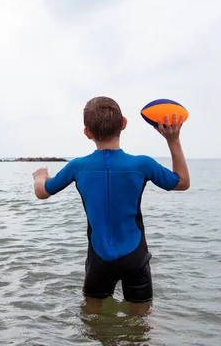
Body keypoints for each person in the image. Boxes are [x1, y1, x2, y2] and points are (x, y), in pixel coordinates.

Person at [32, 96, 190, 313]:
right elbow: (181, 182)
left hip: (99, 259)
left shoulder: (78, 167)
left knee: (94, 321)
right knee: (141, 325)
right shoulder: (142, 164)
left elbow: (42, 192)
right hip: (135, 257)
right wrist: (173, 141)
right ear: (124, 123)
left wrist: (40, 176)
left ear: (87, 132)